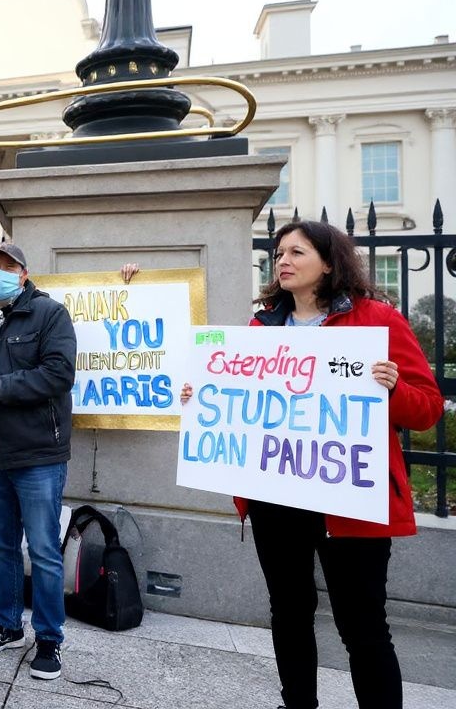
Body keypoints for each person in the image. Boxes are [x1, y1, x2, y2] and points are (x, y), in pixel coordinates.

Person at [178, 220, 442, 709]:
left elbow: (426, 408)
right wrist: (202, 395)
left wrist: (393, 390)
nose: (283, 261)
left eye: (296, 252)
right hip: (276, 497)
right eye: (279, 253)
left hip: (349, 502)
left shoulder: (376, 319)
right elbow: (242, 398)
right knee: (289, 613)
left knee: (362, 626)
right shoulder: (263, 325)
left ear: (328, 261)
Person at [0, 243, 76, 681]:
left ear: (24, 274)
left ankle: (49, 638)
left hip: (37, 455)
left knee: (44, 551)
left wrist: (2, 387)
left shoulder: (50, 314)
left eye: (7, 267)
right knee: (3, 546)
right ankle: (7, 624)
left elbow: (60, 373)